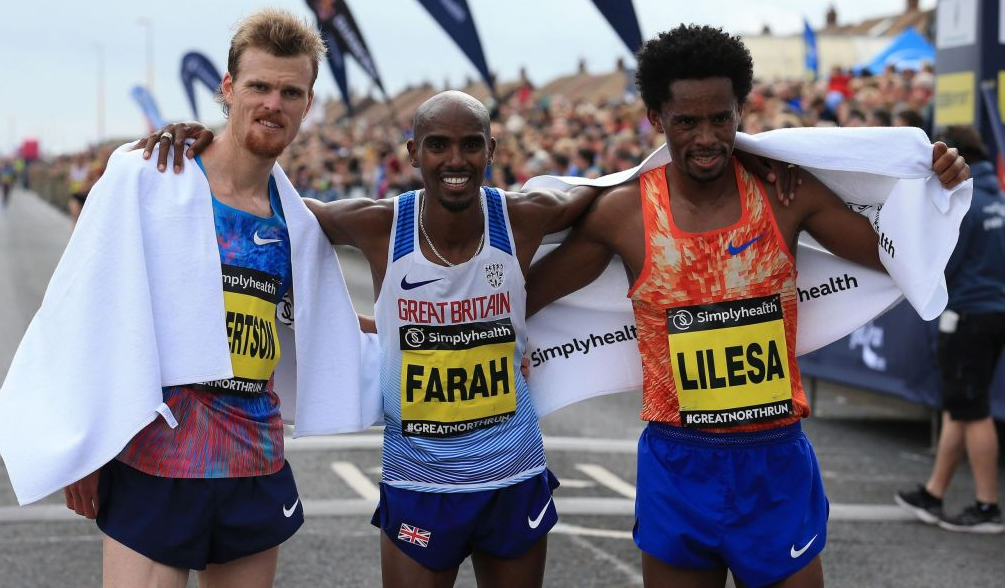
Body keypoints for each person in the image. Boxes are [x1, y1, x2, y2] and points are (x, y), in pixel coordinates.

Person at [525, 25, 969, 588]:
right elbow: (522, 298)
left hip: (774, 459)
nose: (707, 137)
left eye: (721, 119)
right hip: (679, 462)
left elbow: (898, 256)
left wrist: (938, 189)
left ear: (742, 111)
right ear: (656, 119)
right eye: (686, 122)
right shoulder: (625, 215)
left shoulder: (787, 194)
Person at [59, 10, 328, 586]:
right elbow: (88, 308)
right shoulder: (152, 177)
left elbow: (319, 320)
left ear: (308, 103)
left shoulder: (297, 218)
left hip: (254, 456)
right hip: (160, 453)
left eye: (290, 91)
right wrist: (84, 441)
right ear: (227, 89)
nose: (272, 103)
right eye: (258, 86)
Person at [896, 125, 1005, 534]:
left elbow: (944, 261)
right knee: (960, 406)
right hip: (994, 313)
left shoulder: (965, 200)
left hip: (967, 315)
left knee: (972, 410)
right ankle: (935, 491)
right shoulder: (998, 198)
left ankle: (987, 505)